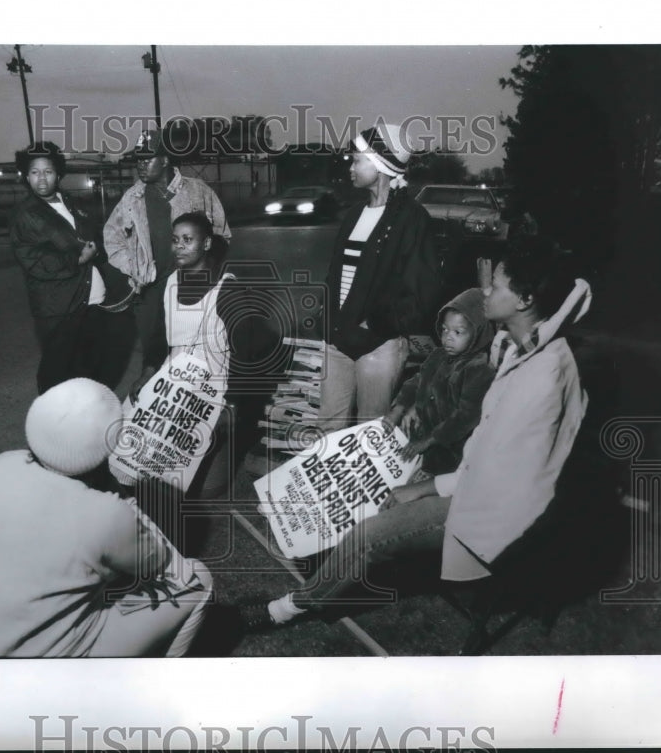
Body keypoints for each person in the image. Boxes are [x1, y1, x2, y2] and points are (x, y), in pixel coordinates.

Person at [241, 237, 591, 629]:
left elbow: (496, 476)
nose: (487, 292)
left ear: (525, 299)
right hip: (473, 481)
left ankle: (287, 608)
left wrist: (422, 489)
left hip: (491, 509)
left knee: (368, 536)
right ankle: (307, 538)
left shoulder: (541, 378)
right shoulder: (521, 346)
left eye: (496, 286)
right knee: (362, 479)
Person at [0, 378, 214, 658]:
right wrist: (125, 499)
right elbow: (156, 561)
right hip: (35, 675)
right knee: (195, 579)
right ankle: (157, 683)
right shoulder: (106, 512)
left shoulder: (1, 463)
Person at [124, 212, 266, 549]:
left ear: (206, 243)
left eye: (187, 240)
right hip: (175, 382)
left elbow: (248, 353)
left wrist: (232, 405)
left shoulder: (226, 288)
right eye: (175, 240)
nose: (179, 247)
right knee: (129, 427)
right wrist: (147, 372)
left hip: (212, 386)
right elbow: (159, 339)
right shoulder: (171, 282)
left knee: (202, 487)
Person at [317, 123, 441, 431]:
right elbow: (337, 274)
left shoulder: (412, 220)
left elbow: (421, 290)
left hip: (378, 345)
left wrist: (376, 324)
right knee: (329, 429)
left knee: (369, 432)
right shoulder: (353, 215)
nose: (351, 167)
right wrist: (327, 315)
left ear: (381, 165)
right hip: (337, 340)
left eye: (358, 160)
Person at [103, 129, 231, 385]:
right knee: (154, 356)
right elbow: (111, 238)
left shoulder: (198, 192)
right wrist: (134, 268)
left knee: (197, 354)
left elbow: (222, 235)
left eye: (147, 159)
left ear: (165, 160)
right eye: (138, 160)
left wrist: (208, 273)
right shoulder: (132, 198)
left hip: (192, 289)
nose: (141, 165)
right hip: (150, 293)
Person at [10, 141, 136, 394]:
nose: (42, 178)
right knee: (57, 372)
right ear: (26, 176)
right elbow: (33, 259)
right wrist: (78, 259)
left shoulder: (69, 202)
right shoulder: (25, 214)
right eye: (35, 172)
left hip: (90, 300)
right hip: (59, 306)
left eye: (48, 171)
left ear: (58, 174)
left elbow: (94, 238)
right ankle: (54, 426)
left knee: (89, 366)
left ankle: (85, 422)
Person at [383, 287, 496, 474]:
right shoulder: (438, 355)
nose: (448, 338)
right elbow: (417, 381)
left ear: (478, 332)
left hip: (450, 454)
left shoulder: (479, 369)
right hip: (419, 438)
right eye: (444, 330)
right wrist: (399, 408)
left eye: (458, 332)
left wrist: (429, 440)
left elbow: (465, 418)